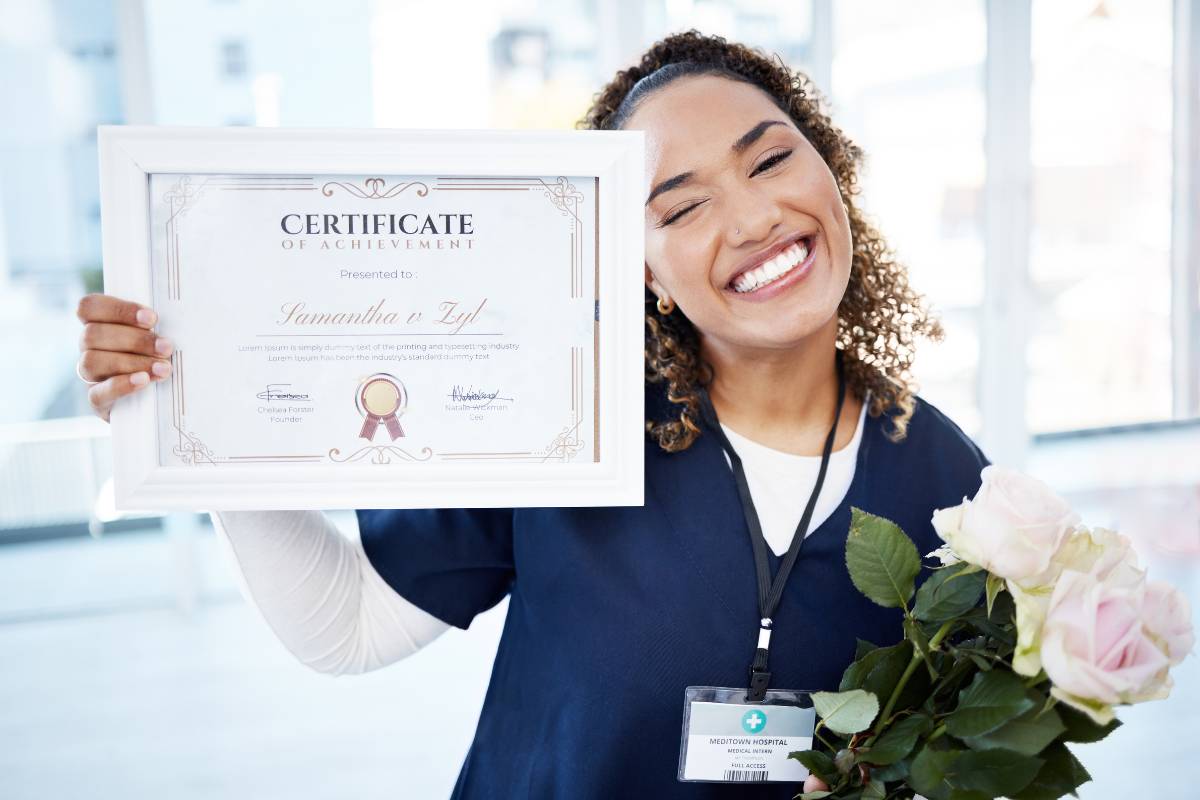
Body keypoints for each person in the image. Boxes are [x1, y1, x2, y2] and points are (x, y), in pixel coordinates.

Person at [75, 29, 987, 799]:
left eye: (773, 158)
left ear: (831, 165)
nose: (751, 218)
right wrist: (204, 401)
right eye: (683, 206)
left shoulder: (955, 489)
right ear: (640, 271)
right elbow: (344, 626)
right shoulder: (560, 419)